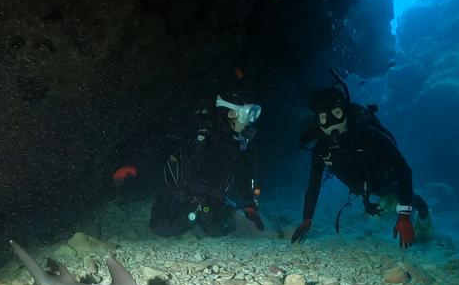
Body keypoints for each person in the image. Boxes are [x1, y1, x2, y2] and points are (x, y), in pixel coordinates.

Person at [291, 72, 429, 248]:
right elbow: (314, 185)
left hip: (382, 178)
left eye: (337, 114)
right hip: (359, 186)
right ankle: (390, 205)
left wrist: (404, 216)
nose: (333, 124)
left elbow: (403, 170)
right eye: (325, 119)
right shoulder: (321, 149)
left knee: (395, 193)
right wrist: (307, 219)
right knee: (380, 206)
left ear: (346, 113)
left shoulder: (368, 134)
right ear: (318, 123)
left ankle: (424, 214)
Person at [149, 93, 265, 237]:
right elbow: (166, 155)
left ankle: (210, 215)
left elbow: (244, 172)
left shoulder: (241, 143)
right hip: (182, 193)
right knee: (162, 228)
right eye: (246, 114)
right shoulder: (200, 131)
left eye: (253, 115)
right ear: (229, 112)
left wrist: (248, 202)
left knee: (219, 230)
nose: (249, 121)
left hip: (211, 198)